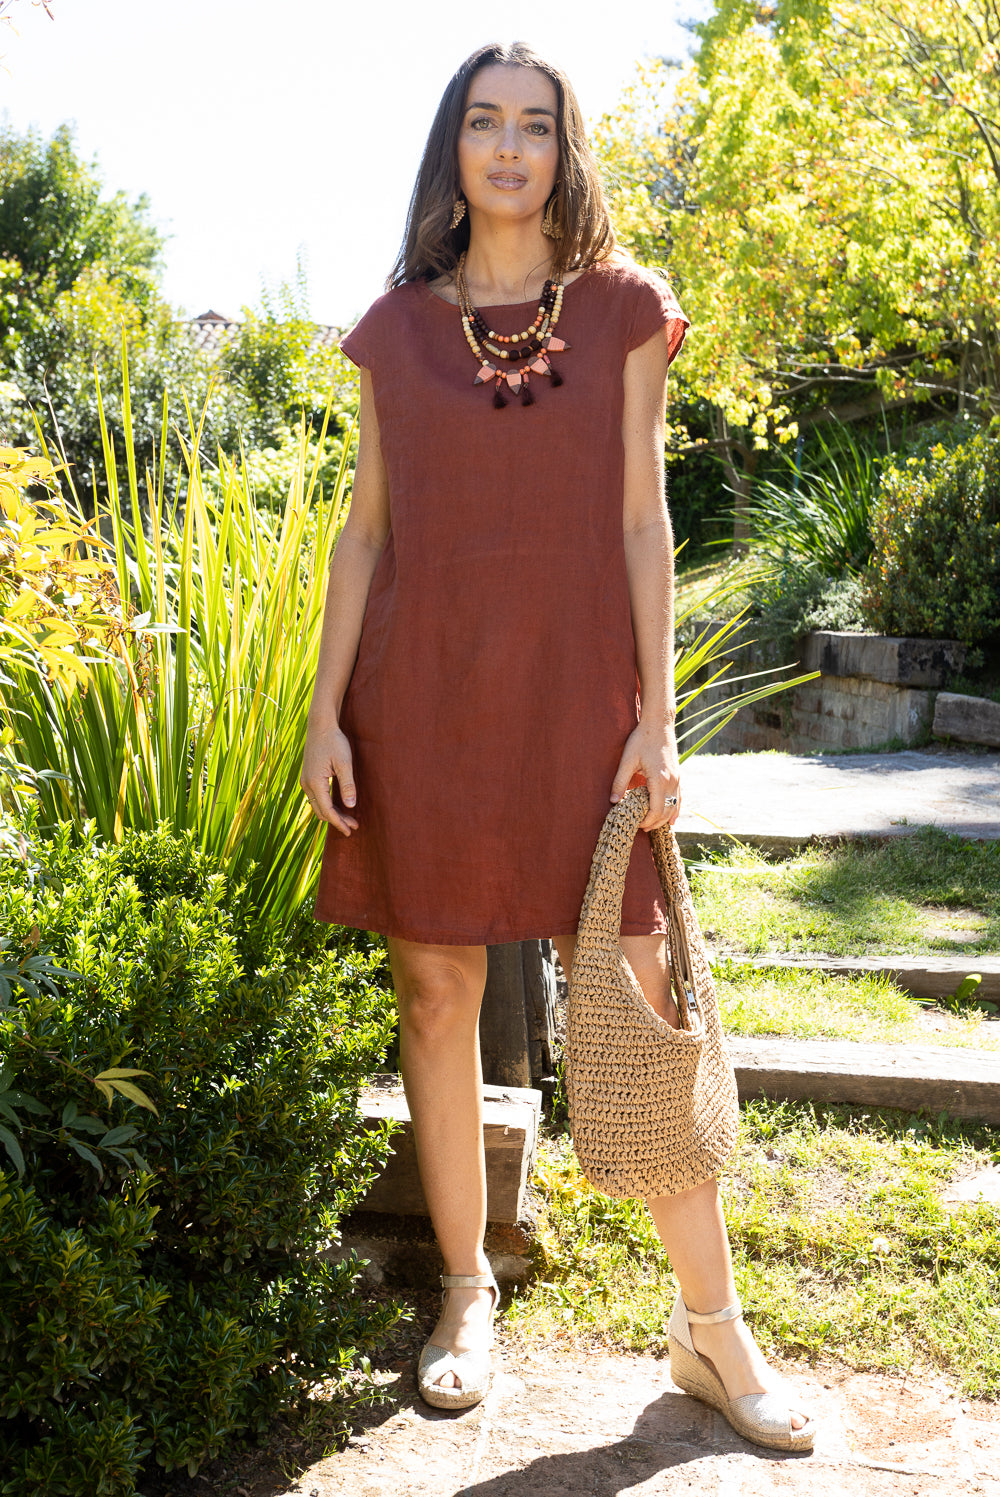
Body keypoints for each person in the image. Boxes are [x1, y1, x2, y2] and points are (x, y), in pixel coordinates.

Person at [301, 40, 815, 1450]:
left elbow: (646, 519)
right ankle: (467, 1291)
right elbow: (365, 534)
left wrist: (656, 714)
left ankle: (712, 1327)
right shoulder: (395, 329)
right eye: (486, 122)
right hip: (421, 700)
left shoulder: (626, 308)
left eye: (535, 125)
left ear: (563, 149)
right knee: (436, 990)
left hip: (583, 704)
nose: (511, 147)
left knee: (635, 988)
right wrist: (326, 711)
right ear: (454, 148)